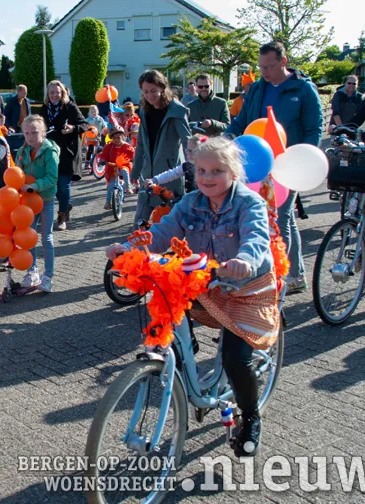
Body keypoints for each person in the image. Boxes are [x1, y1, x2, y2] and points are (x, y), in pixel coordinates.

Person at [107, 136, 279, 457]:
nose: (206, 178)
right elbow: (162, 233)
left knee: (235, 358)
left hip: (244, 290)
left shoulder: (249, 203)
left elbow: (257, 239)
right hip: (205, 285)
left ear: (233, 173)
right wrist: (129, 248)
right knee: (166, 294)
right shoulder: (190, 203)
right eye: (200, 170)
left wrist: (244, 261)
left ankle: (251, 416)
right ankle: (186, 360)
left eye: (216, 171)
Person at [226, 41, 322, 294]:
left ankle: (283, 274)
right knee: (265, 217)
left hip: (288, 165)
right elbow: (241, 121)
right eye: (261, 67)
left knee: (281, 217)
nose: (265, 72)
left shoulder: (303, 89)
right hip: (257, 163)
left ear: (283, 61)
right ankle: (291, 272)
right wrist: (224, 140)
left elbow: (314, 128)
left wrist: (303, 158)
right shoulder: (257, 89)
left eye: (269, 66)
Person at [131, 69, 192, 227]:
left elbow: (188, 141)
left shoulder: (176, 110)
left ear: (163, 89)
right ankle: (137, 251)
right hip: (148, 176)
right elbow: (142, 144)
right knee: (139, 225)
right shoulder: (144, 111)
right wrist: (135, 171)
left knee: (174, 228)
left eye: (154, 91)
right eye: (145, 92)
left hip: (170, 176)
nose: (150, 96)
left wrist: (193, 169)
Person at [15, 115, 60, 292]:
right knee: (28, 237)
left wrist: (34, 186)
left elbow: (52, 177)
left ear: (43, 132)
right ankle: (32, 271)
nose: (30, 136)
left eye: (34, 132)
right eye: (27, 133)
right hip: (28, 202)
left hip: (46, 200)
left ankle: (48, 276)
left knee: (46, 238)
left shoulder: (50, 151)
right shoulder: (22, 152)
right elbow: (17, 173)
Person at [39, 80, 88, 231]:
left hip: (67, 152)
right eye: (52, 92)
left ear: (62, 93)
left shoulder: (70, 107)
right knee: (53, 185)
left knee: (63, 184)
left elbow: (84, 124)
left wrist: (73, 128)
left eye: (57, 92)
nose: (55, 95)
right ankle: (65, 205)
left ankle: (62, 216)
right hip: (50, 152)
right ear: (48, 94)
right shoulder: (44, 109)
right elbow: (37, 126)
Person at [97, 126, 135, 208]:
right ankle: (107, 202)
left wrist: (132, 159)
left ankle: (128, 187)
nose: (116, 140)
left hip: (123, 166)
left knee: (125, 172)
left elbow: (132, 154)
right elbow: (104, 155)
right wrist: (102, 161)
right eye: (114, 138)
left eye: (118, 138)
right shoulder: (109, 147)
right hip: (112, 168)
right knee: (110, 186)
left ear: (123, 137)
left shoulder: (126, 146)